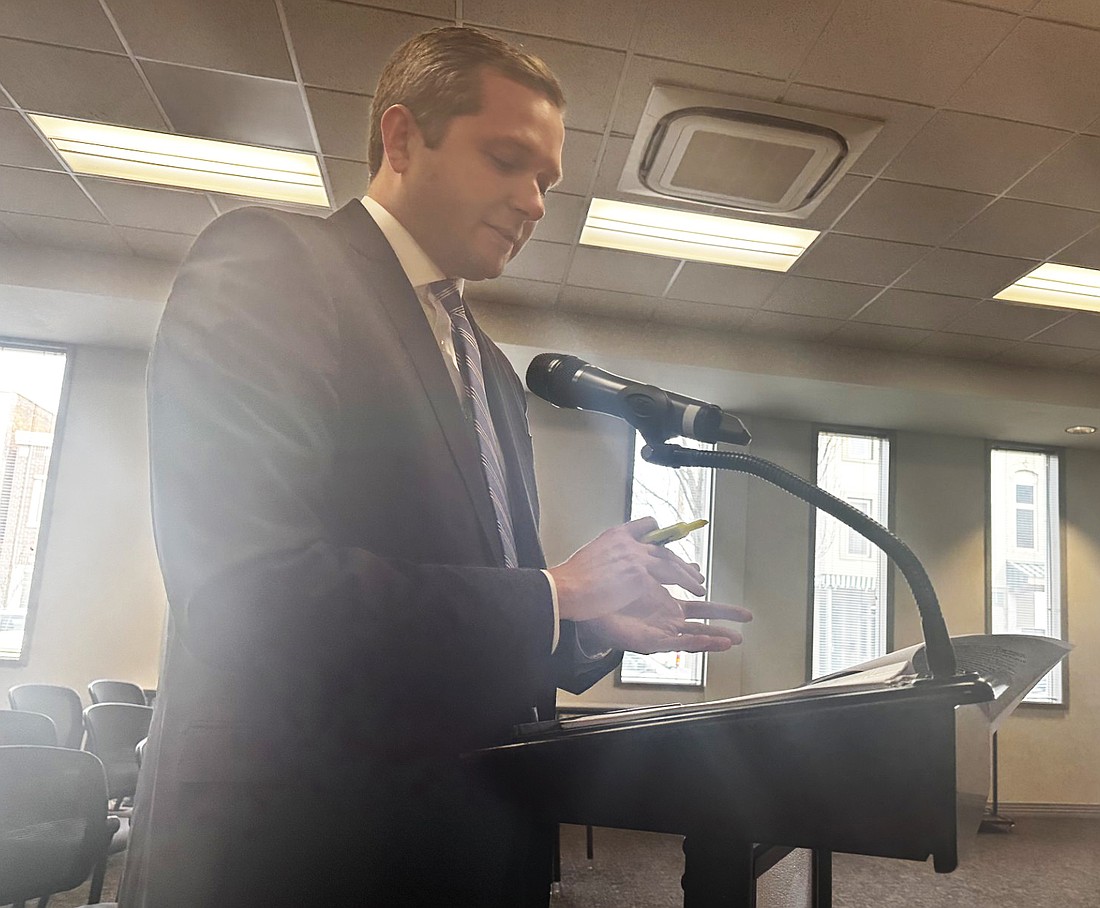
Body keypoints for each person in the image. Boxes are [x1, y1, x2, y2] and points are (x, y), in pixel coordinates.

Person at [120, 25, 752, 908]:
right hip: (302, 848)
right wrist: (556, 591)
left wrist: (588, 624)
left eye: (547, 183)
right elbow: (246, 593)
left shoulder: (491, 368)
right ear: (403, 138)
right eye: (507, 160)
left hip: (470, 841)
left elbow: (476, 607)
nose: (534, 203)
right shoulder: (275, 266)